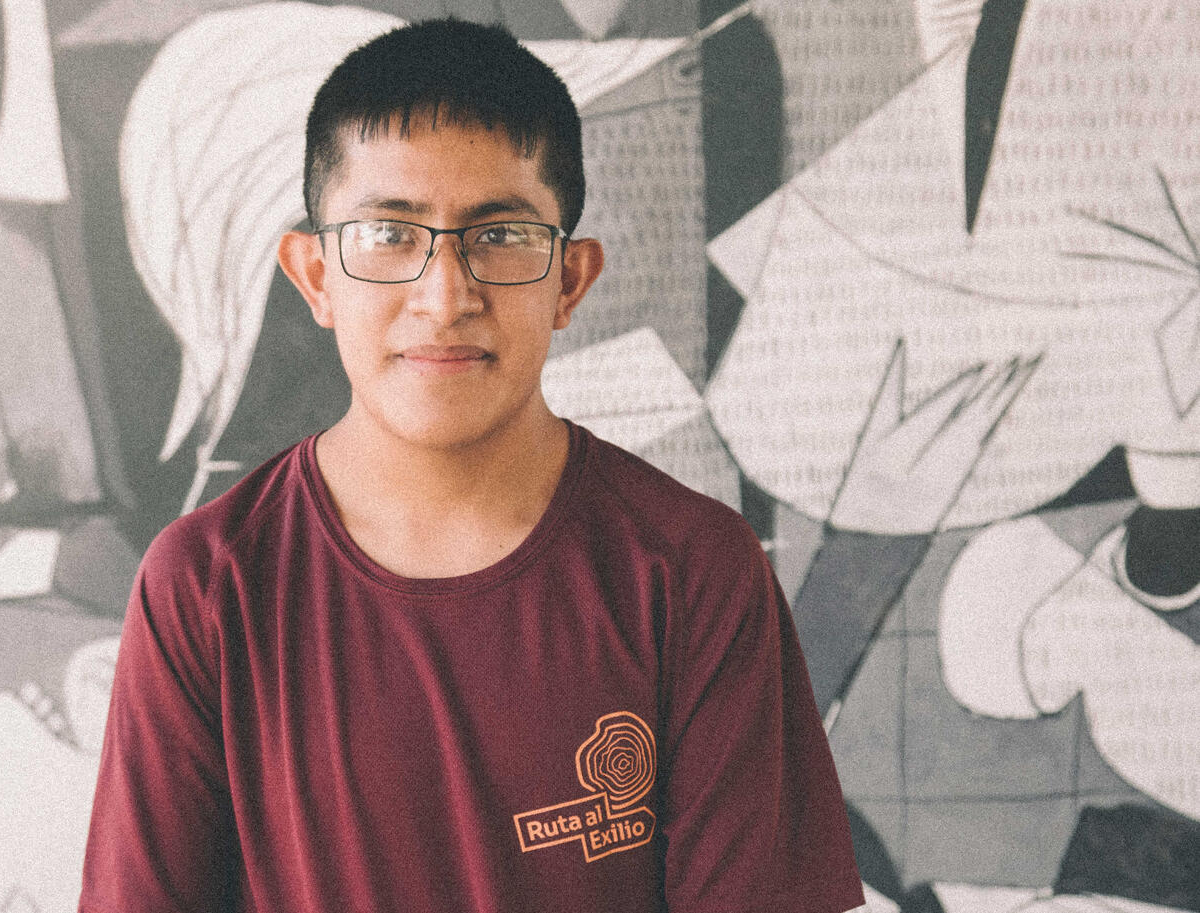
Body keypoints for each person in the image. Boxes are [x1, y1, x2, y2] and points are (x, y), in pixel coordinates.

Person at [79, 17, 864, 913]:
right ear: (316, 276)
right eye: (388, 234)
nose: (445, 296)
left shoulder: (693, 571)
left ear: (570, 280)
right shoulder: (207, 587)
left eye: (500, 236)